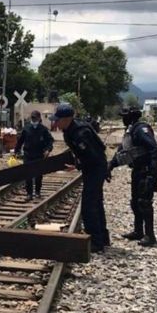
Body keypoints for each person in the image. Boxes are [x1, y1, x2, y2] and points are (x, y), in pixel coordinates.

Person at [50, 103, 109, 253]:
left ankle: (95, 242)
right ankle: (103, 238)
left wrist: (78, 166)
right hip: (93, 167)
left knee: (89, 206)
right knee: (96, 202)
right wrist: (77, 163)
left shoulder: (80, 132)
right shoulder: (69, 130)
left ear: (67, 119)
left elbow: (92, 156)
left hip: (96, 168)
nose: (56, 122)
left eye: (58, 120)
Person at [110, 107, 157, 247]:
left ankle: (150, 236)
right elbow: (123, 152)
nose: (123, 119)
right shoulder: (131, 130)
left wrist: (153, 171)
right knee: (135, 202)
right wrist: (110, 165)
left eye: (124, 116)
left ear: (131, 117)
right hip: (137, 170)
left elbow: (154, 149)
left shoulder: (141, 129)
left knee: (144, 202)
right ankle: (138, 231)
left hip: (146, 171)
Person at [14, 110, 54, 201]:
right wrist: (17, 150)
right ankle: (29, 194)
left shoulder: (44, 129)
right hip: (28, 155)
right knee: (28, 175)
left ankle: (37, 192)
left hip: (39, 155)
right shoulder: (26, 128)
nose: (34, 119)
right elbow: (20, 141)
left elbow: (50, 141)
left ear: (39, 118)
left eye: (35, 118)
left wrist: (48, 150)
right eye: (32, 117)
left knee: (38, 175)